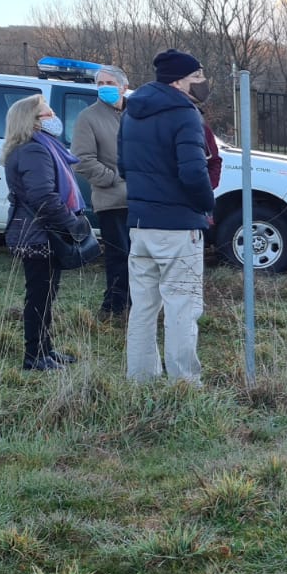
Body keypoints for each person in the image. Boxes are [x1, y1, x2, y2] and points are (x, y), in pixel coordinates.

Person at [119, 49, 215, 383]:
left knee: (143, 308)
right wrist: (206, 205)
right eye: (197, 77)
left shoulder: (131, 112)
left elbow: (122, 166)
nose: (202, 83)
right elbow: (193, 173)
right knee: (182, 307)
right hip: (177, 228)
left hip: (140, 225)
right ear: (178, 80)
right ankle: (184, 385)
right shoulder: (184, 114)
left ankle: (141, 380)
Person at [3, 94, 83, 371]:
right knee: (39, 294)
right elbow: (43, 196)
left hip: (40, 231)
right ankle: (34, 356)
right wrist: (72, 224)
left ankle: (45, 350)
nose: (54, 119)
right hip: (38, 233)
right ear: (32, 121)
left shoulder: (40, 146)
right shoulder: (34, 151)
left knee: (46, 293)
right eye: (47, 115)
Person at [72, 65, 131, 320]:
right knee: (120, 255)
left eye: (110, 83)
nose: (104, 88)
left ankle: (141, 308)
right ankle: (114, 308)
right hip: (112, 200)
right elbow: (82, 159)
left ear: (123, 86)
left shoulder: (138, 113)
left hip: (144, 200)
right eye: (100, 83)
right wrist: (113, 179)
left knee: (144, 257)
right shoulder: (89, 117)